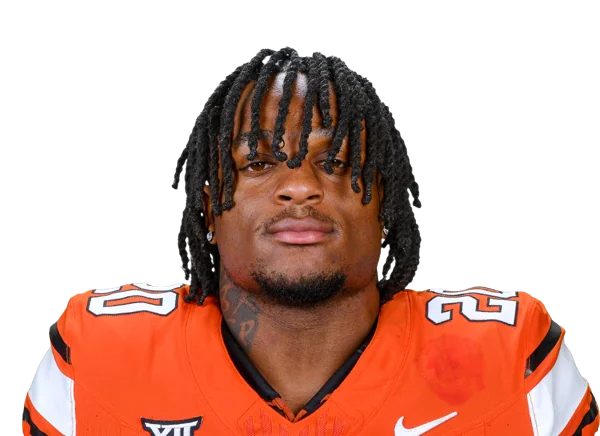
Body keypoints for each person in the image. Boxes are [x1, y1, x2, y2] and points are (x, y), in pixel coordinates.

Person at [22, 47, 598, 435]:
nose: (299, 187)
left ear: (386, 206)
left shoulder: (506, 357)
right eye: (258, 163)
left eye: (337, 162)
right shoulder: (101, 355)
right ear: (207, 208)